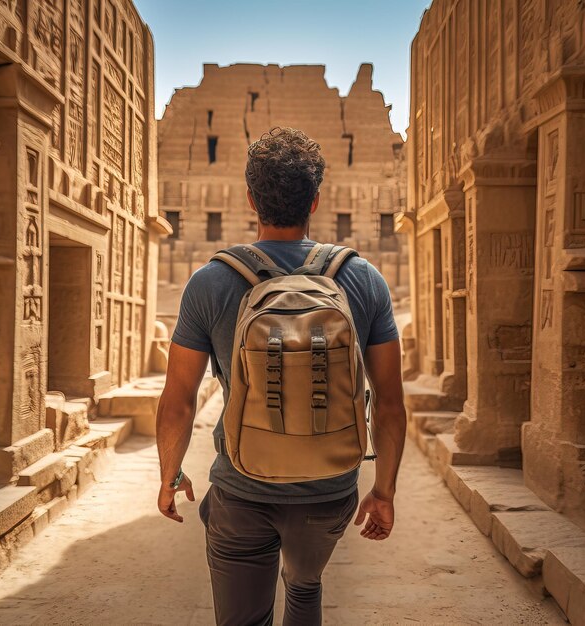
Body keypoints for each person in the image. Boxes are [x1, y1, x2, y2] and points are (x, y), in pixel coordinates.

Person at [156, 127, 407, 626]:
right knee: (305, 585)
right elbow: (390, 401)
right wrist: (384, 492)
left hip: (242, 488)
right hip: (330, 488)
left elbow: (178, 400)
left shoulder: (211, 282)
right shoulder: (362, 279)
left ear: (251, 198)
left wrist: (169, 476)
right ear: (315, 200)